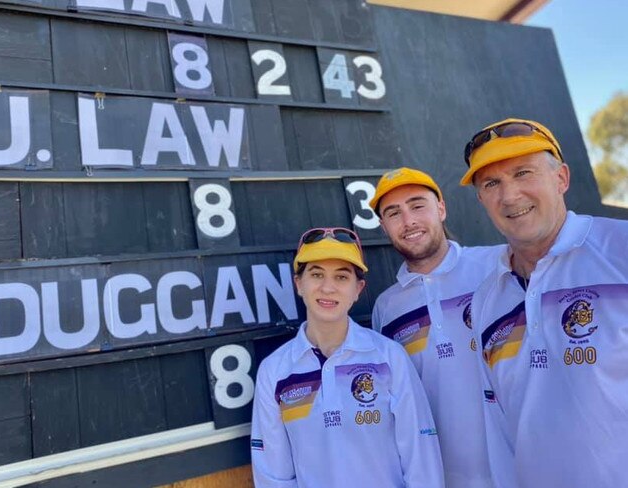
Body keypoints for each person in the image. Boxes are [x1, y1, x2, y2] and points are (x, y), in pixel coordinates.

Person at [461, 117, 628, 488]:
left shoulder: (620, 251)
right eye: (492, 183)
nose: (510, 196)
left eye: (523, 173)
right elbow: (501, 427)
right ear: (481, 199)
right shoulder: (488, 299)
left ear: (562, 178)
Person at [251, 227, 444, 487]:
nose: (328, 287)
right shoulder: (274, 371)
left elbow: (420, 455)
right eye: (317, 274)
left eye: (341, 277)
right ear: (299, 284)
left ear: (358, 289)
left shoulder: (388, 357)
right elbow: (274, 474)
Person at [369, 167, 503, 488]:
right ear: (383, 225)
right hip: (445, 478)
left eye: (417, 205)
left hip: (525, 469)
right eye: (394, 213)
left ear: (441, 209)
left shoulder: (498, 265)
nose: (408, 221)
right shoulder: (386, 309)